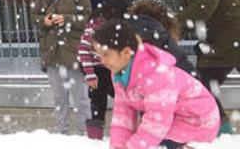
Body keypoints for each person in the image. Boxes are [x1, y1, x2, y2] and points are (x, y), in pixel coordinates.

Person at [93, 19, 220, 149]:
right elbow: (123, 116)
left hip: (199, 121)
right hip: (173, 120)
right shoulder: (119, 74)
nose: (102, 61)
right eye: (99, 55)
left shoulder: (157, 75)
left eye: (106, 54)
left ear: (126, 52)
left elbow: (157, 121)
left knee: (154, 136)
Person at [158, 0, 240, 135]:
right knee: (203, 83)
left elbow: (198, 11)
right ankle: (220, 126)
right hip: (223, 42)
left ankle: (220, 127)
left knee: (203, 83)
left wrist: (171, 27)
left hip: (229, 41)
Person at [31, 0, 92, 135]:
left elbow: (87, 16)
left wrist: (66, 19)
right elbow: (34, 17)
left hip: (72, 50)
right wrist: (45, 21)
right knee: (59, 97)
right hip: (51, 50)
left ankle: (85, 133)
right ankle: (61, 133)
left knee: (80, 97)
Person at [77, 0, 130, 139]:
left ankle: (125, 130)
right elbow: (83, 49)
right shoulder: (96, 24)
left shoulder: (115, 25)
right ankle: (96, 137)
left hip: (111, 67)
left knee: (121, 97)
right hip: (96, 68)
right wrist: (90, 74)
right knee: (99, 100)